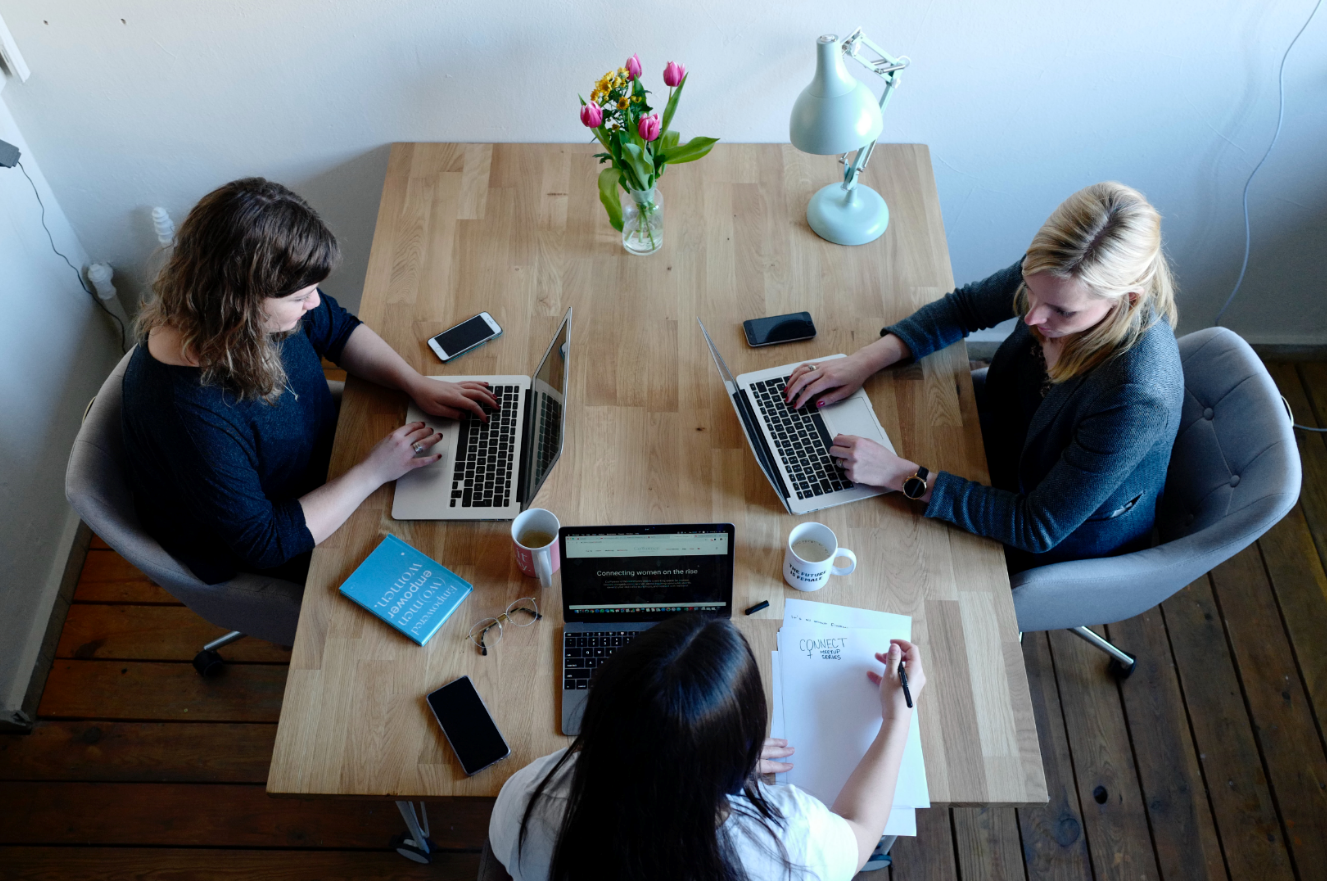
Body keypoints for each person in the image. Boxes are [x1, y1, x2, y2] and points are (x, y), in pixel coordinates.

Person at [785, 182, 1183, 569]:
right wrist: (864, 361)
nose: (1032, 317)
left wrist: (899, 474)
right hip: (1000, 444)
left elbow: (1036, 526)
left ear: (1127, 299)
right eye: (1030, 290)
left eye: (1061, 312)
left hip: (1052, 537)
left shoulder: (1135, 395)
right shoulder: (1057, 272)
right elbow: (966, 308)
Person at [122, 177, 498, 584]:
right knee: (458, 557)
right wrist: (372, 472)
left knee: (465, 507)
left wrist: (414, 382)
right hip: (284, 531)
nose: (314, 303)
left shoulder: (245, 318)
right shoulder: (187, 414)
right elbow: (264, 543)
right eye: (300, 297)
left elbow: (337, 330)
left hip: (331, 460)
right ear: (238, 301)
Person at [487, 614, 926, 880]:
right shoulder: (790, 844)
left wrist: (697, 755)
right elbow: (861, 832)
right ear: (742, 754)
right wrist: (896, 717)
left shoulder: (527, 802)